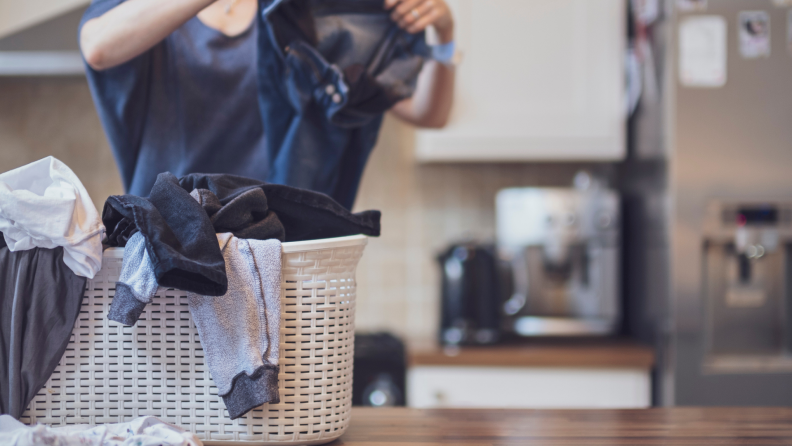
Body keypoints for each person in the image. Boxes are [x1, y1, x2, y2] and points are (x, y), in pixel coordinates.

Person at [79, 0, 455, 209]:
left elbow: (427, 113)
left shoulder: (308, 12)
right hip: (171, 249)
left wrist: (444, 36)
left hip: (287, 253)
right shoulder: (146, 9)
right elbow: (98, 47)